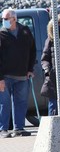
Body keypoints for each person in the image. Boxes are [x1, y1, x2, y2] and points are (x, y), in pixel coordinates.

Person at [0, 9, 36, 138]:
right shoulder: (1, 34)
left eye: (6, 18)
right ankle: (3, 129)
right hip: (5, 77)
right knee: (4, 104)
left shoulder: (25, 31)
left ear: (14, 19)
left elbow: (32, 50)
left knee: (21, 103)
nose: (4, 21)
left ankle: (19, 128)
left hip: (22, 76)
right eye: (3, 19)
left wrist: (30, 69)